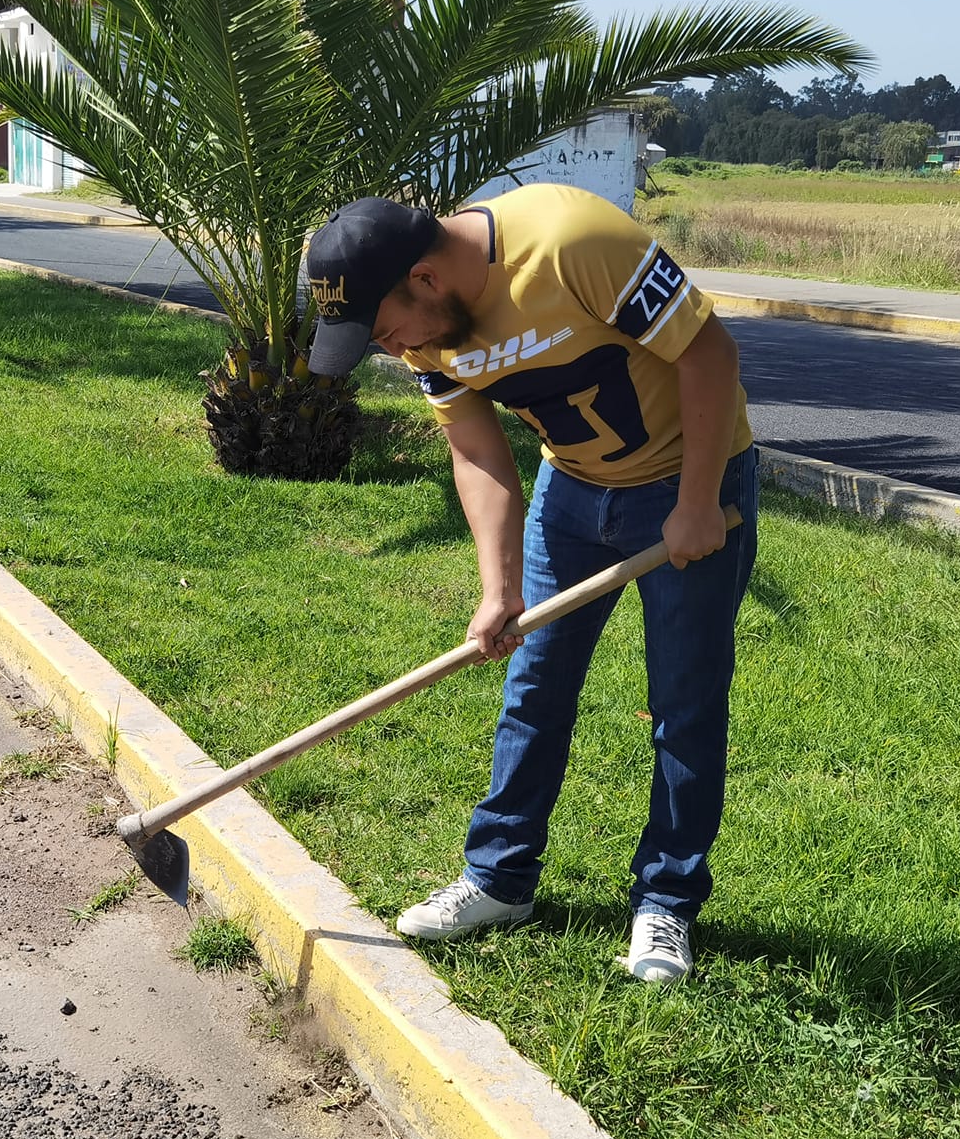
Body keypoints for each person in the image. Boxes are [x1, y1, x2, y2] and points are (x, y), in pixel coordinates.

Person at [303, 187, 757, 985]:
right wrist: (497, 587)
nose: (390, 348)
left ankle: (667, 903)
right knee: (533, 686)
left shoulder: (569, 242)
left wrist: (693, 503)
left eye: (382, 329)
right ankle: (500, 879)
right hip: (571, 494)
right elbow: (475, 448)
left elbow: (708, 354)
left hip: (691, 487)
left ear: (426, 278)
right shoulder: (424, 334)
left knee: (684, 703)